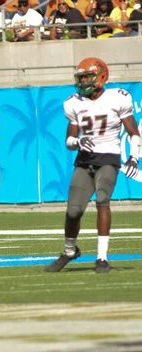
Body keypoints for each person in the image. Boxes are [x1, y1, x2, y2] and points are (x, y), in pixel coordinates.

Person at [46, 57, 141, 274]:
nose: (83, 81)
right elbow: (69, 141)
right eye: (81, 77)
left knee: (102, 200)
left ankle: (102, 257)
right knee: (73, 211)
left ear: (101, 76)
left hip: (108, 157)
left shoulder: (118, 98)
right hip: (85, 159)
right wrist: (78, 141)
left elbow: (133, 132)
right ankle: (70, 251)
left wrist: (134, 157)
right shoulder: (73, 102)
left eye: (87, 76)